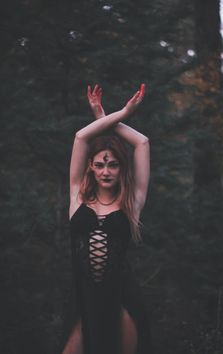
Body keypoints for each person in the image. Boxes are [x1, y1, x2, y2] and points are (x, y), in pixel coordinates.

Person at [60, 83, 152, 354]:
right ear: (90, 167)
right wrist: (114, 116)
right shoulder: (78, 197)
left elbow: (142, 142)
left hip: (121, 301)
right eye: (99, 164)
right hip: (83, 300)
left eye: (113, 164)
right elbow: (81, 138)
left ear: (121, 167)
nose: (106, 171)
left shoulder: (132, 203)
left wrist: (111, 117)